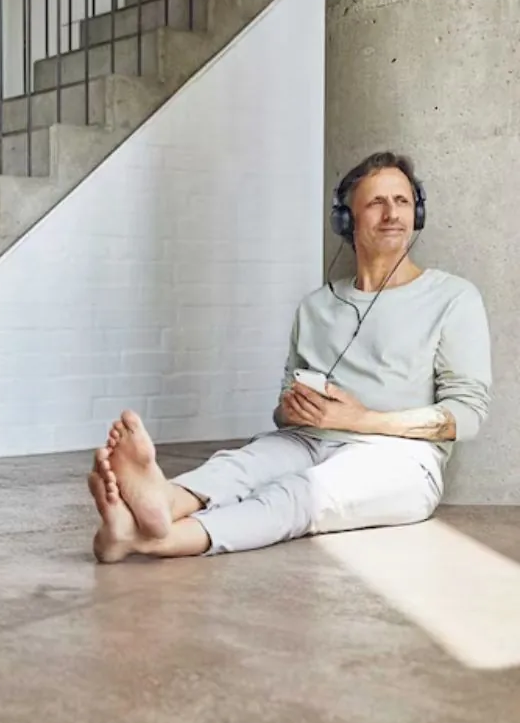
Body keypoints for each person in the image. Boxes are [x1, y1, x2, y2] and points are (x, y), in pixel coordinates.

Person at [89, 151, 493, 562]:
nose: (392, 214)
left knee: (297, 494)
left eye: (402, 201)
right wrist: (295, 408)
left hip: (400, 458)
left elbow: (468, 414)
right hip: (309, 438)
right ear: (346, 220)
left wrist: (359, 419)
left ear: (417, 212)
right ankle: (156, 505)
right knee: (238, 466)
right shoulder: (316, 306)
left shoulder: (453, 297)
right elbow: (283, 411)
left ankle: (156, 539)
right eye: (376, 202)